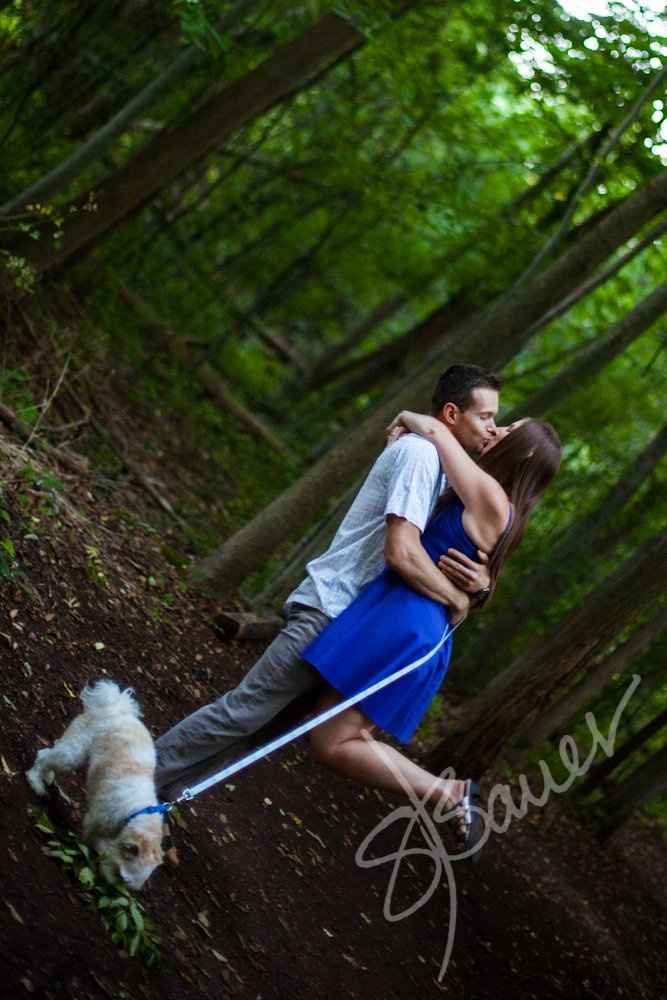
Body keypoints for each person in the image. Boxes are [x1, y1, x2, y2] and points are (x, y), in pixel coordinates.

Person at [155, 365, 502, 800]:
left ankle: (149, 808)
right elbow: (403, 552)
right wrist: (455, 597)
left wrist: (482, 586)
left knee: (260, 734)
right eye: (485, 417)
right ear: (451, 414)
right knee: (242, 712)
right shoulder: (421, 456)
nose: (493, 428)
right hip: (330, 609)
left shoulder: (446, 470)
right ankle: (124, 782)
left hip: (356, 629)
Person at [304, 411, 562, 852]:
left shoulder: (493, 499)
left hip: (408, 623)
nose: (496, 430)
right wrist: (481, 590)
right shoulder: (488, 498)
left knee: (333, 741)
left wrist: (404, 415)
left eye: (509, 430)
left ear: (525, 452)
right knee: (329, 722)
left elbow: (438, 431)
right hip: (401, 610)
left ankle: (450, 794)